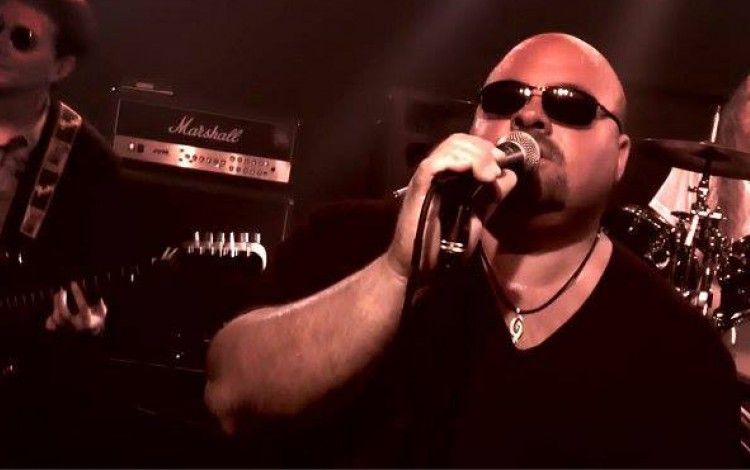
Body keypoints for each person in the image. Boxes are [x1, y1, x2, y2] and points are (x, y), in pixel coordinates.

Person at [205, 33, 740, 467]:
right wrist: (396, 273)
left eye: (569, 105)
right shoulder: (351, 236)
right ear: (475, 124)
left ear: (620, 156)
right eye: (505, 98)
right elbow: (230, 394)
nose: (529, 116)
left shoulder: (678, 348)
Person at [0, 0, 124, 465]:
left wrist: (90, 325)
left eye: (22, 38)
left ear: (61, 67)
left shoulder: (91, 165)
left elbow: (102, 284)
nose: (0, 43)